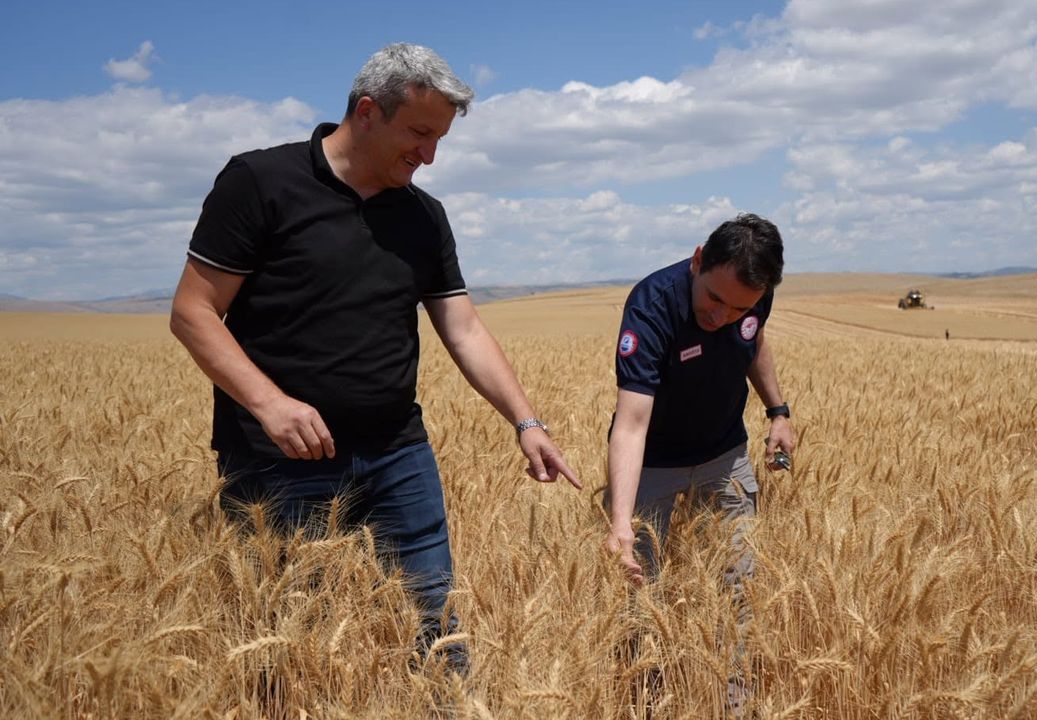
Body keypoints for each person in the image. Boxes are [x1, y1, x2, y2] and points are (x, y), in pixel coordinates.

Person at [170, 43, 579, 673]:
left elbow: (463, 328)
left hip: (397, 454)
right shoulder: (260, 182)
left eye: (440, 138)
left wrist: (526, 422)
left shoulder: (422, 215)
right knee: (286, 643)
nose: (430, 155)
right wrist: (269, 403)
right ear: (367, 111)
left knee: (436, 626)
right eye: (419, 133)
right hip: (280, 463)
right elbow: (194, 311)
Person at [603, 213, 796, 712]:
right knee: (639, 593)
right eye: (714, 300)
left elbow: (752, 343)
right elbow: (631, 424)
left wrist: (778, 411)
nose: (722, 317)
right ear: (697, 261)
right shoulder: (652, 305)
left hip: (724, 454)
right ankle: (646, 701)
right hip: (655, 461)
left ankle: (735, 701)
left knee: (741, 585)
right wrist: (621, 520)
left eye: (740, 308)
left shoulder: (752, 295)